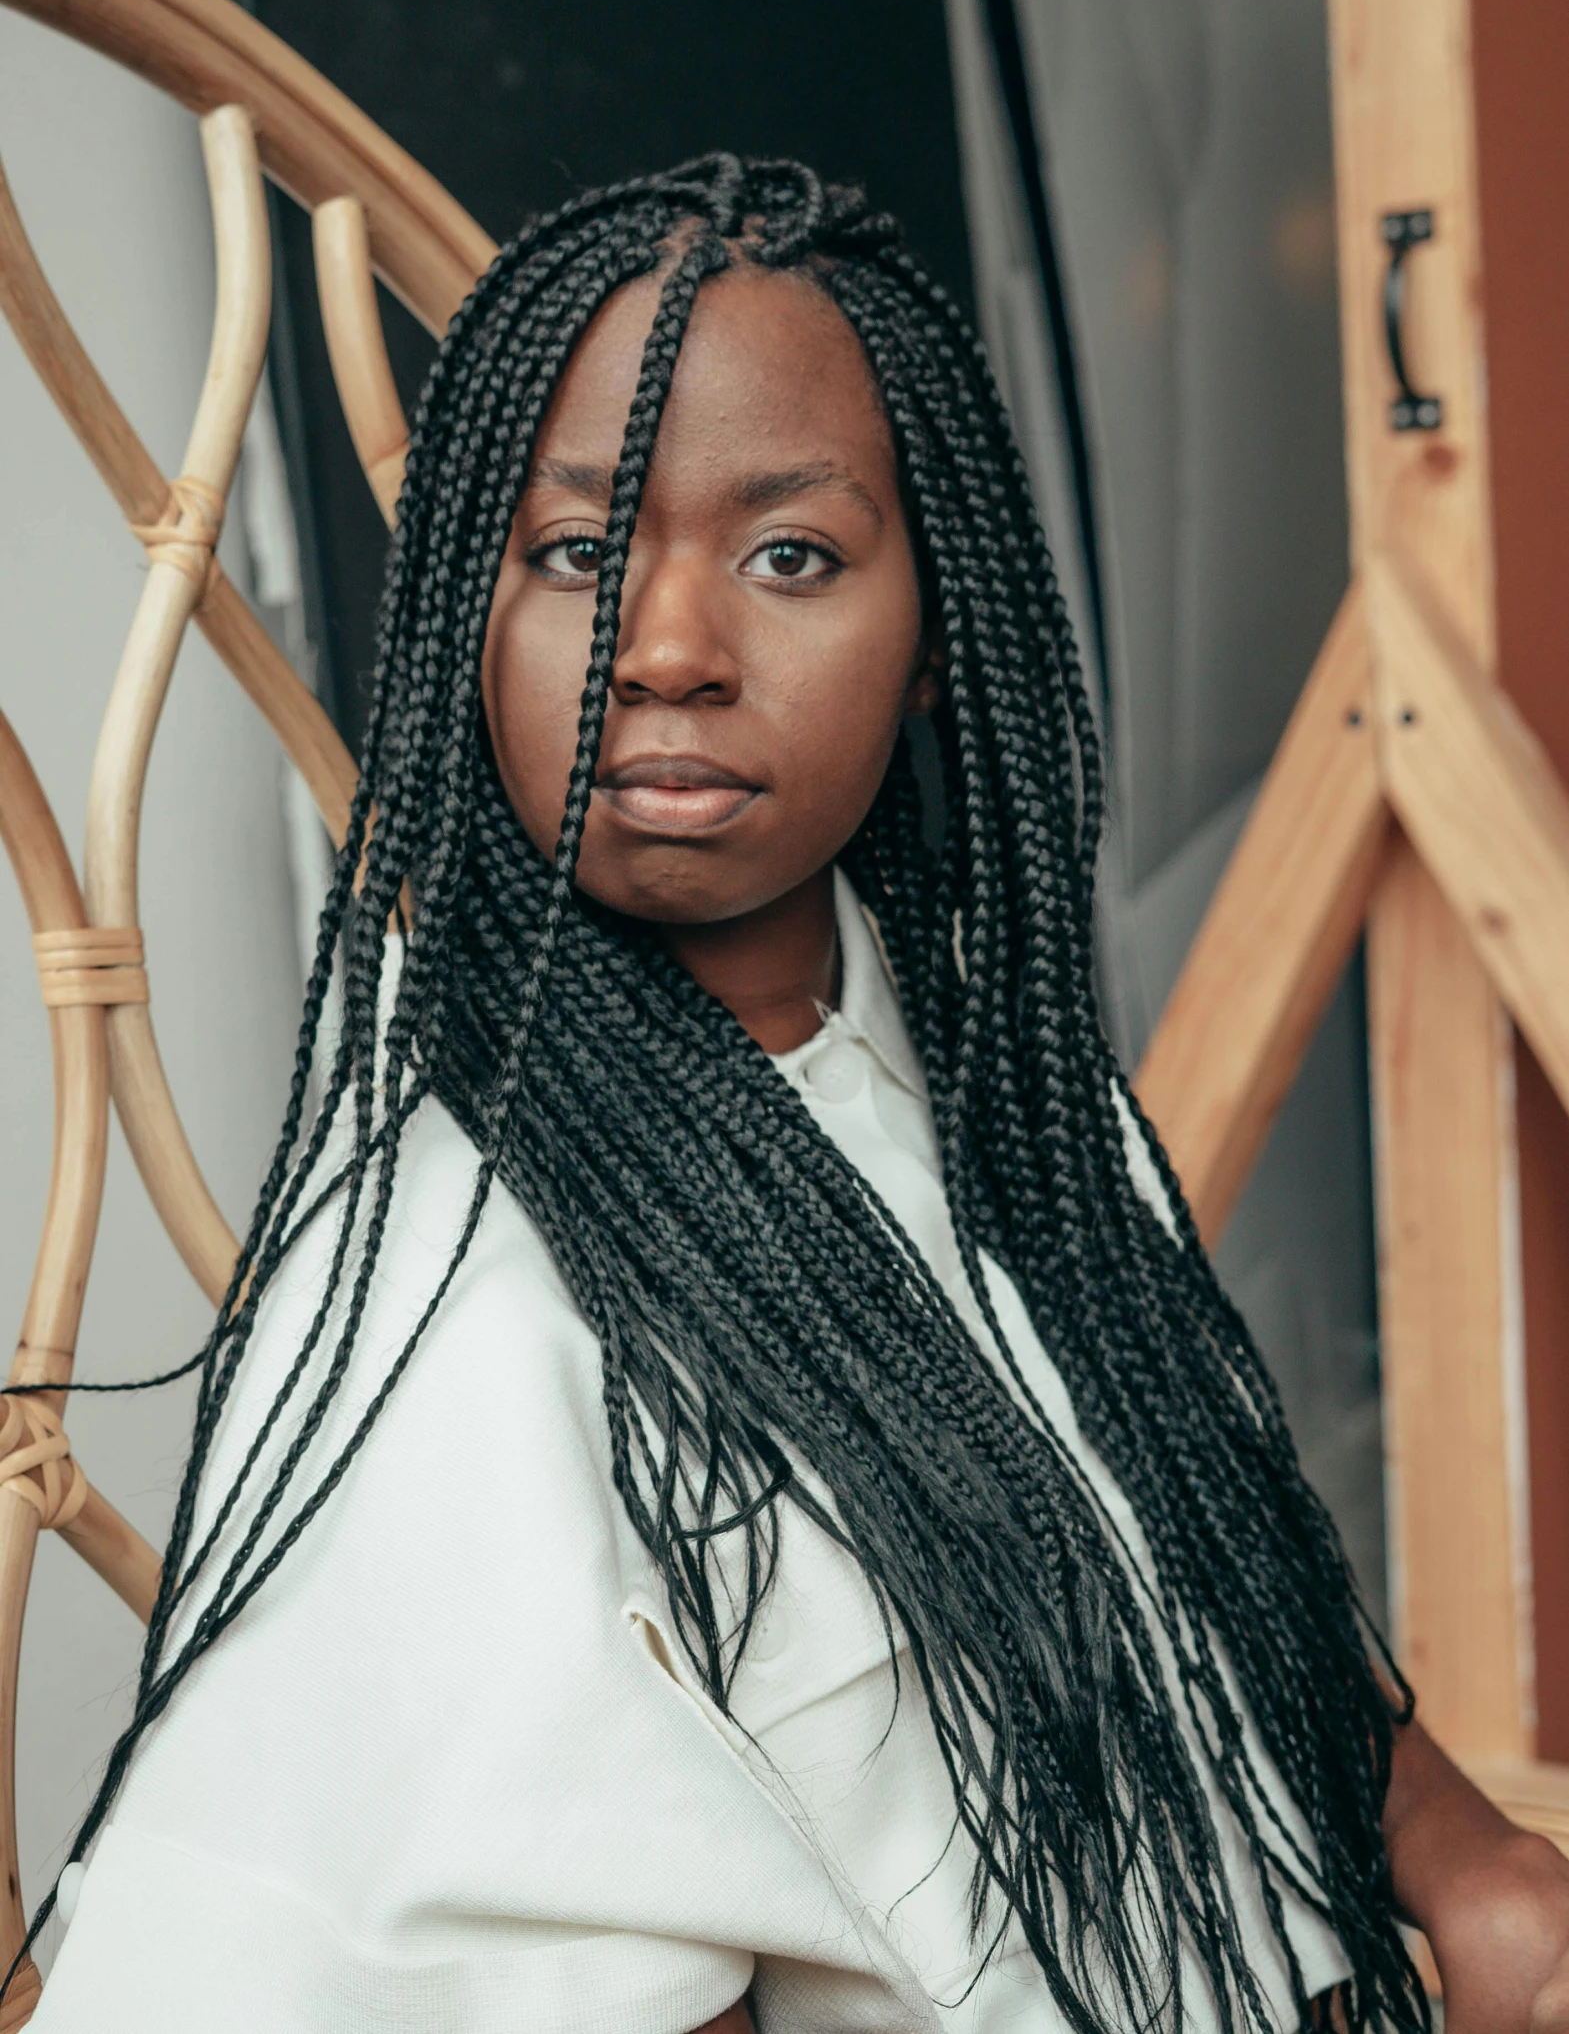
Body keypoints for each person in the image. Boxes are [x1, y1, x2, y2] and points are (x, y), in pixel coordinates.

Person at [25, 157, 1569, 2032]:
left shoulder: (998, 1095)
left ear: (938, 636)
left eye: (791, 556)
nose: (666, 652)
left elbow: (1195, 1540)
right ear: (464, 623)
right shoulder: (463, 1319)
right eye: (580, 556)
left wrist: (1469, 1855)